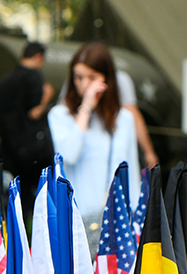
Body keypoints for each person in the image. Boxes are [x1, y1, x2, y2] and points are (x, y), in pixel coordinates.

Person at [47, 41, 140, 245]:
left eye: (92, 77)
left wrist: (134, 219)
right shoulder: (60, 115)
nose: (84, 84)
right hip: (75, 223)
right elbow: (68, 155)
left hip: (115, 223)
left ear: (107, 79)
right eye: (79, 77)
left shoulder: (123, 118)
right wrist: (86, 108)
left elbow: (131, 171)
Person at [0, 41, 55, 220]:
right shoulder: (34, 77)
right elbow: (34, 112)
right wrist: (46, 97)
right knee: (34, 200)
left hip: (9, 149)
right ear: (38, 57)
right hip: (31, 151)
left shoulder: (5, 79)